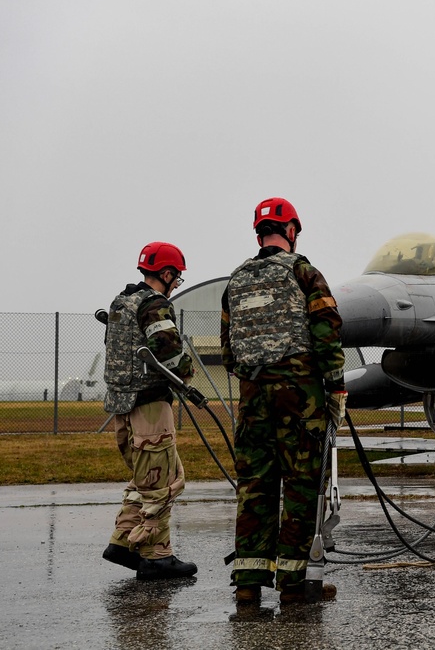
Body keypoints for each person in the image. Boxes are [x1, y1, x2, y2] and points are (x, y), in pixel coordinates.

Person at [221, 197, 346, 606]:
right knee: (301, 484)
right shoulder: (303, 272)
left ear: (259, 233)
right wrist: (336, 387)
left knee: (255, 486)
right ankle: (294, 585)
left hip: (253, 396)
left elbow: (228, 351)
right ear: (291, 231)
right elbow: (326, 328)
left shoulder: (235, 281)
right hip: (299, 395)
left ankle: (248, 582)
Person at [101, 241, 198, 580]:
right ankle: (157, 556)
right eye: (177, 278)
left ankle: (124, 541)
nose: (176, 285)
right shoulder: (154, 305)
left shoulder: (120, 303)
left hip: (120, 407)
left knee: (143, 479)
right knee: (165, 479)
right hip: (149, 406)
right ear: (167, 274)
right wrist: (188, 370)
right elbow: (169, 350)